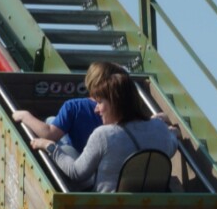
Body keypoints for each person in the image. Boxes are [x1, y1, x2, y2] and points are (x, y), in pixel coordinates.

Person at [30, 69, 177, 192]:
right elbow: (173, 142)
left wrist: (49, 146)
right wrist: (173, 130)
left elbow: (76, 172)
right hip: (150, 207)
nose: (96, 109)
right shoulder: (160, 129)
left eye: (100, 102)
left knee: (60, 140)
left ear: (115, 102)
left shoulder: (104, 135)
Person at [12, 61, 121, 156]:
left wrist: (25, 116)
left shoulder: (75, 106)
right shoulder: (119, 108)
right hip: (109, 159)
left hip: (79, 160)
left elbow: (49, 135)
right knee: (51, 119)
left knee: (50, 121)